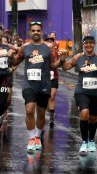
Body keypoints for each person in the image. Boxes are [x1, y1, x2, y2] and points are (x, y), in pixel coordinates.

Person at [12, 21, 65, 153]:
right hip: (29, 84)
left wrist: (62, 59)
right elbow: (16, 61)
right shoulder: (25, 47)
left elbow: (53, 65)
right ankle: (31, 139)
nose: (36, 32)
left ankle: (37, 136)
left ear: (41, 32)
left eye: (38, 30)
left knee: (41, 113)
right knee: (29, 110)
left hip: (44, 84)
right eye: (33, 30)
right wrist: (10, 55)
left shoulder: (49, 47)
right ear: (30, 32)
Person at [59, 35, 97, 155]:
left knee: (93, 118)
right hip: (81, 91)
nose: (88, 45)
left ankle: (91, 141)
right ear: (83, 44)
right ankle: (84, 142)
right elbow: (65, 67)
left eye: (91, 43)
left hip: (96, 93)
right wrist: (62, 59)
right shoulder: (78, 57)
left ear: (94, 44)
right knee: (84, 113)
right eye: (86, 43)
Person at [44, 32, 59, 127]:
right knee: (44, 98)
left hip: (54, 77)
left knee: (52, 96)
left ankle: (51, 117)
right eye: (48, 42)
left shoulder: (56, 53)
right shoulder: (42, 53)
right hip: (43, 78)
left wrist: (61, 60)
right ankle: (44, 112)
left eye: (51, 42)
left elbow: (60, 63)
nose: (50, 43)